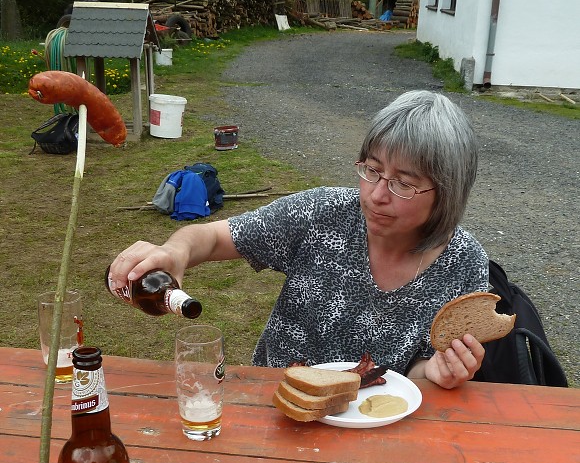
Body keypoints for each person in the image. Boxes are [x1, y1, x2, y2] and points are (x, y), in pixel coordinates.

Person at [109, 90, 488, 389]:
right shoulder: (322, 213)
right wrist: (175, 251)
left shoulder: (465, 264)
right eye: (372, 170)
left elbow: (418, 372)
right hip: (278, 406)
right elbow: (209, 237)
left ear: (447, 193)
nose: (376, 195)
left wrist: (438, 371)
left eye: (403, 183)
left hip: (376, 423)